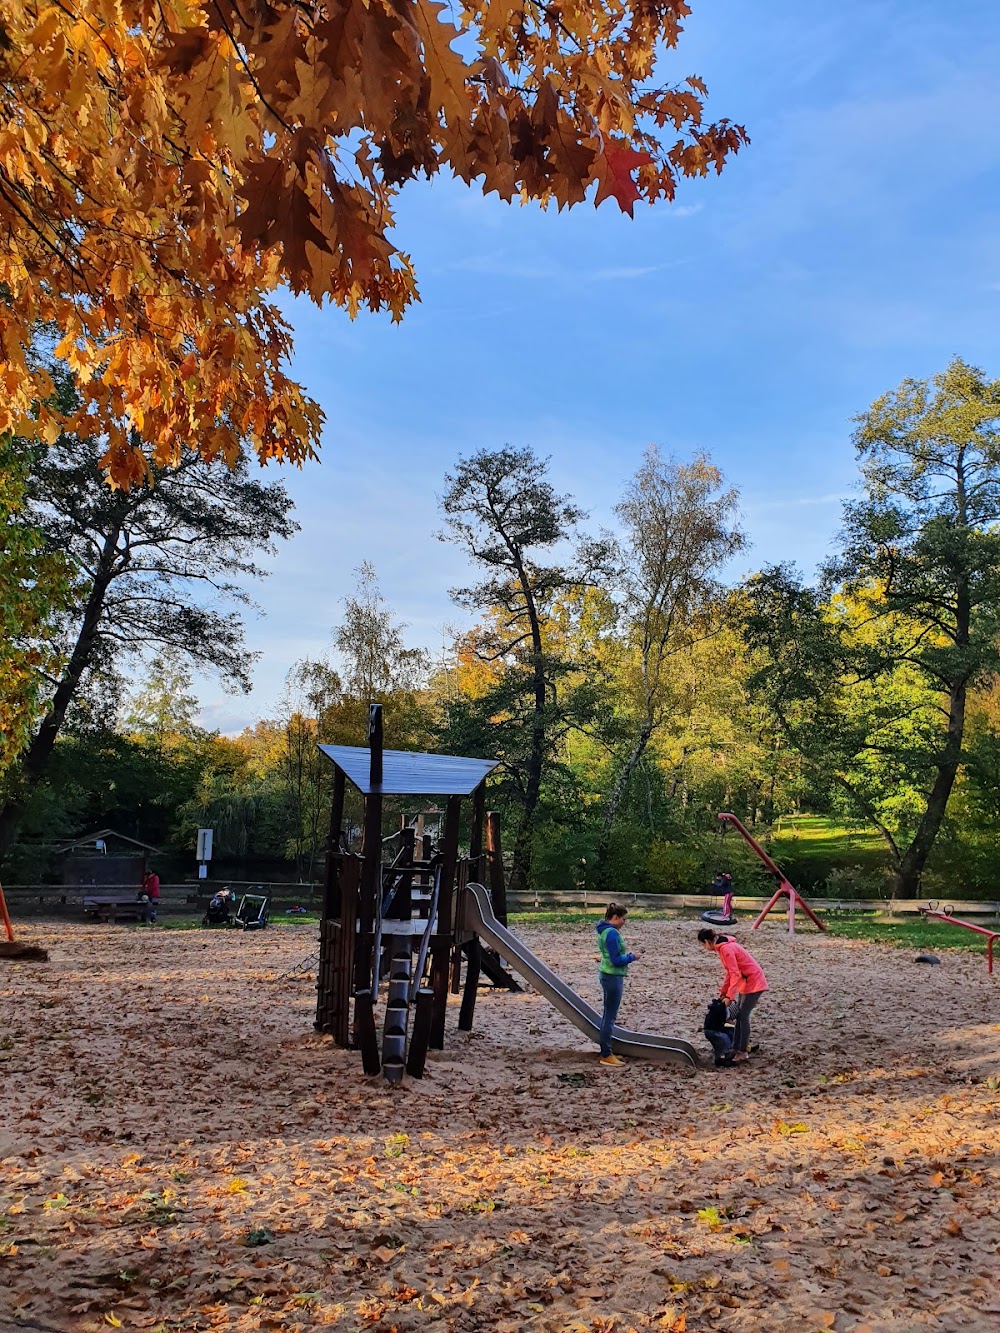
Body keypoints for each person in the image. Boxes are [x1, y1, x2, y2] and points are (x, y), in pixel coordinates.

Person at [697, 926, 767, 1063]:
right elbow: (730, 972)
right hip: (746, 982)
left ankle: (742, 1051)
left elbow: (734, 973)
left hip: (754, 982)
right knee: (740, 1016)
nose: (704, 947)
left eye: (703, 944)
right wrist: (724, 992)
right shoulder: (723, 947)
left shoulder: (726, 949)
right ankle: (736, 1048)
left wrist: (730, 997)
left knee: (743, 1017)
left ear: (707, 941)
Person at [595, 903, 638, 1068]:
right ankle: (606, 1054)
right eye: (623, 919)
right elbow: (616, 960)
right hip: (612, 976)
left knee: (608, 1015)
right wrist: (632, 957)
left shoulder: (604, 931)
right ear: (615, 918)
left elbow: (607, 955)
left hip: (608, 974)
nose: (624, 922)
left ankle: (607, 1050)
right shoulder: (612, 933)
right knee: (609, 1017)